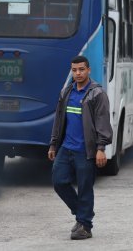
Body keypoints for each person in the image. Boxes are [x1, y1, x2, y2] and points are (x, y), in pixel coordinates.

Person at [48, 55, 113, 240]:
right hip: (66, 148)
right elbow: (59, 121)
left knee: (85, 188)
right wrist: (54, 143)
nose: (78, 73)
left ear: (89, 70)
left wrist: (101, 148)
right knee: (59, 182)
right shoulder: (66, 93)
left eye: (81, 69)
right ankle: (83, 215)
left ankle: (85, 226)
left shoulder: (97, 94)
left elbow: (103, 122)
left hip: (86, 151)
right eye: (74, 70)